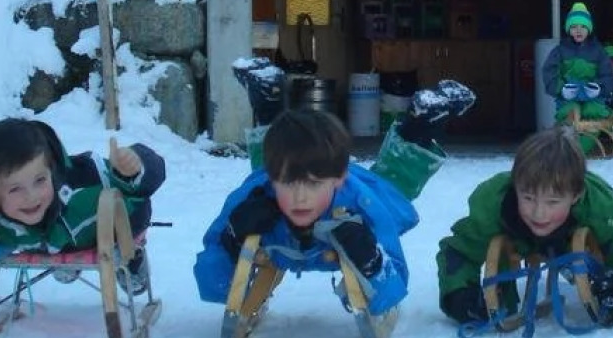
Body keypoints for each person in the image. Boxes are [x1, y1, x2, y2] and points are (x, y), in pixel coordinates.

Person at [193, 81, 476, 321]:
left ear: (338, 178)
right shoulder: (256, 193)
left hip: (358, 194)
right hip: (286, 179)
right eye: (287, 183)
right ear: (273, 179)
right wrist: (232, 239)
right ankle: (269, 103)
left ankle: (421, 126)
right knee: (271, 164)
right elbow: (212, 281)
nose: (300, 197)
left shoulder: (361, 205)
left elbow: (395, 286)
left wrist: (372, 261)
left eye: (312, 185)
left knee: (394, 188)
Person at [436, 123, 613, 330]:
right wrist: (460, 296)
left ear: (575, 196)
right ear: (515, 188)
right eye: (528, 198)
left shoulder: (606, 213)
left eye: (552, 202)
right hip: (525, 234)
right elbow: (459, 250)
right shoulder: (496, 205)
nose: (539, 213)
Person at [0, 117, 166, 296]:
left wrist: (133, 167)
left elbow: (144, 185)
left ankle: (132, 258)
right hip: (53, 243)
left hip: (110, 230)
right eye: (14, 189)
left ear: (52, 171)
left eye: (40, 181)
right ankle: (66, 258)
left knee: (130, 210)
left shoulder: (85, 178)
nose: (31, 197)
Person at [541, 2, 613, 153]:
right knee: (569, 113)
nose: (579, 30)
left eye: (583, 27)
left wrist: (599, 88)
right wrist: (561, 89)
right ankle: (566, 150)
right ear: (569, 29)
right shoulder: (560, 51)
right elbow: (549, 72)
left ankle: (579, 152)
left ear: (589, 29)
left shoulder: (599, 52)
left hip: (592, 96)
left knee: (594, 113)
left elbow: (608, 75)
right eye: (574, 26)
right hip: (569, 96)